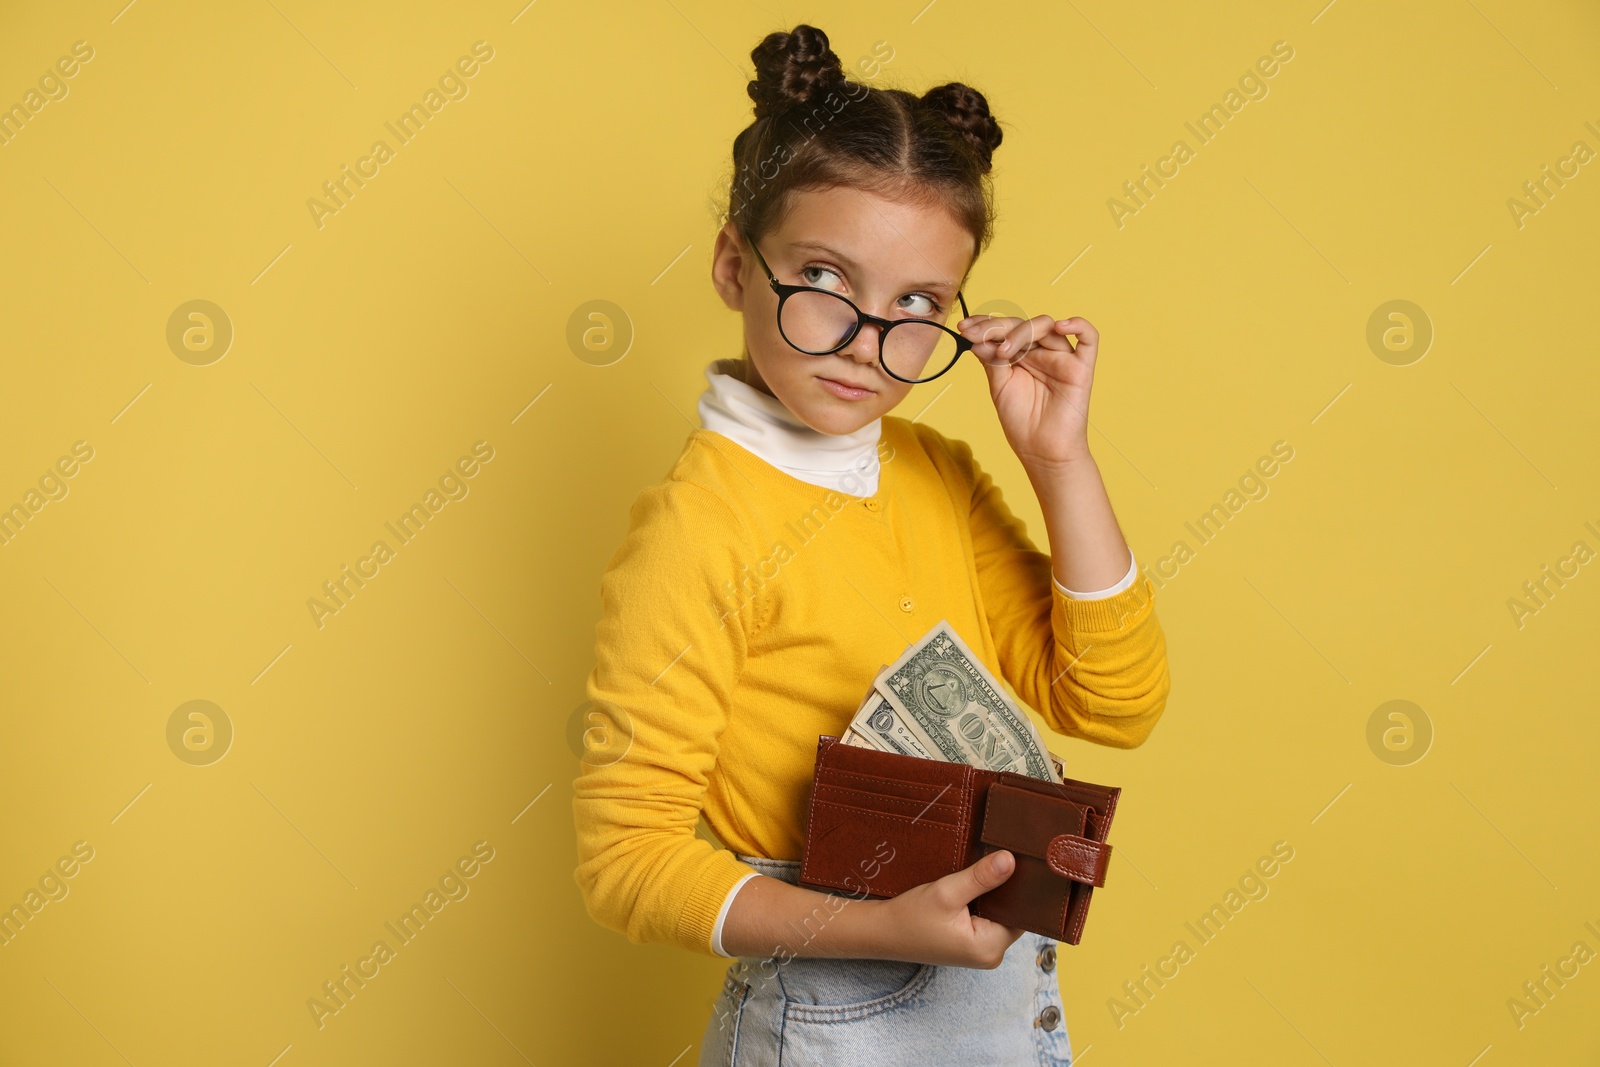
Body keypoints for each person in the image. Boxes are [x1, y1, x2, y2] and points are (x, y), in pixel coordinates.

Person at [572, 23, 1171, 1066]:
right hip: (830, 1019)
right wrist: (871, 929)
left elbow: (1114, 701)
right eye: (823, 274)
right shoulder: (698, 527)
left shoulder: (935, 472)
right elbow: (625, 856)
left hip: (1000, 1017)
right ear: (731, 263)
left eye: (917, 303)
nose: (865, 338)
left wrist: (1058, 461)